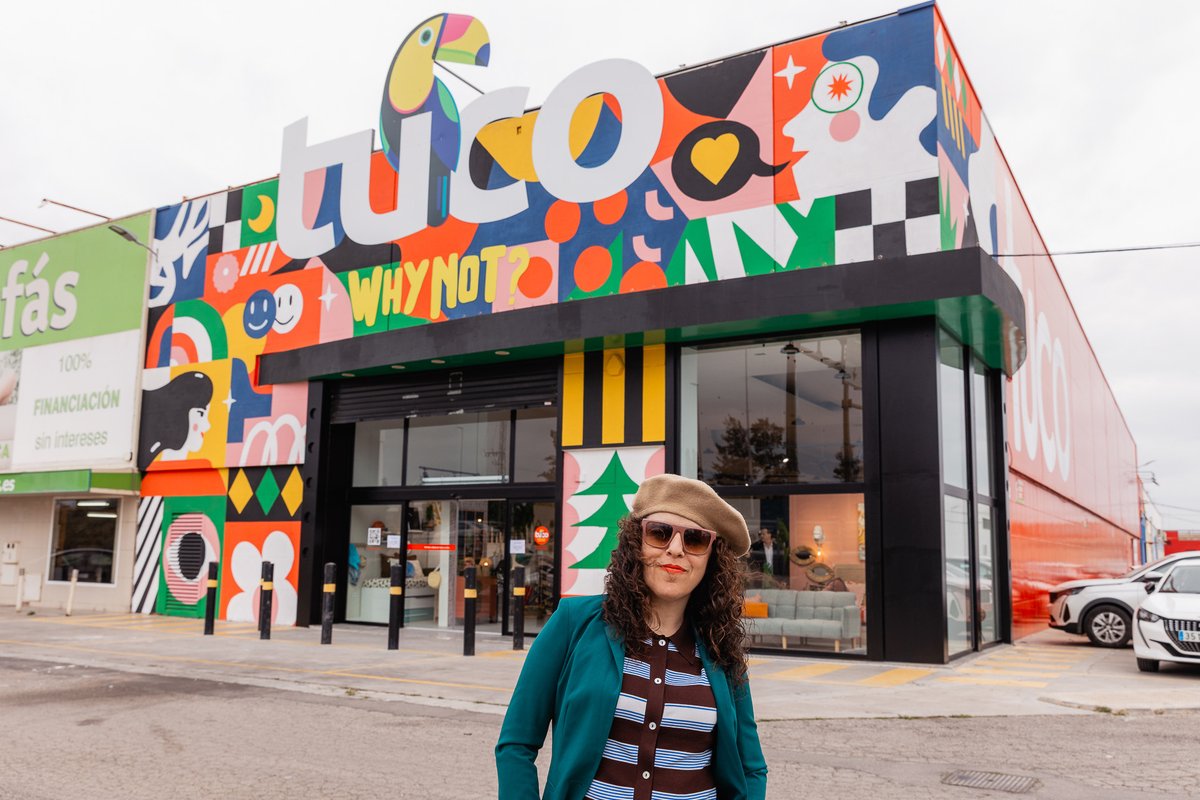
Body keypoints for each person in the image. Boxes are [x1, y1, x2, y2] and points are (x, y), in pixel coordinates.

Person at [496, 474, 767, 800]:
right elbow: (517, 743)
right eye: (660, 533)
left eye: (695, 539)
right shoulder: (573, 623)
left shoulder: (720, 647)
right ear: (635, 543)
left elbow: (751, 767)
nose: (676, 550)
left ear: (712, 558)